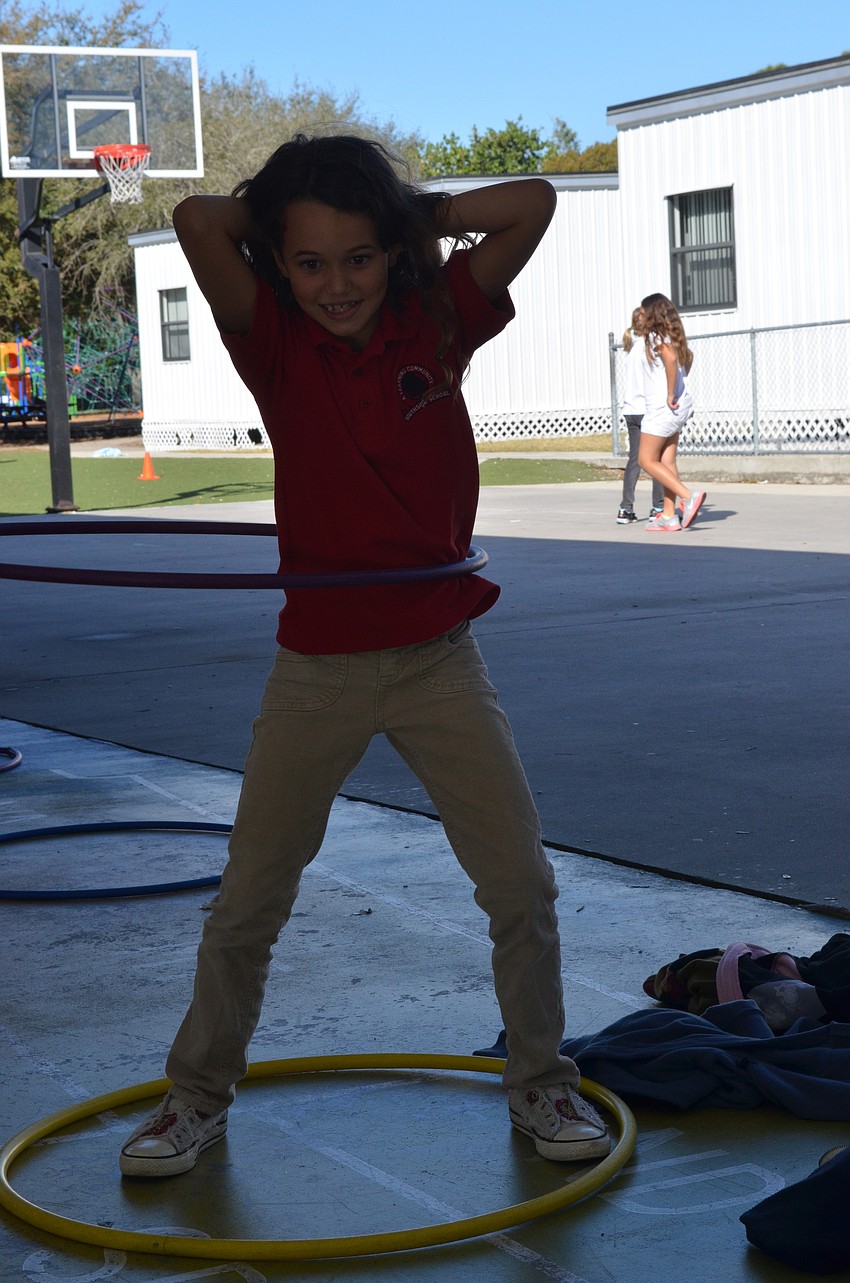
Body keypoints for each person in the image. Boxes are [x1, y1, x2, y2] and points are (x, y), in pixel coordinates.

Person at [118, 134, 610, 1179]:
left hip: (439, 658)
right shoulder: (271, 342)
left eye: (357, 258)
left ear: (390, 252)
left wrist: (403, 218)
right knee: (249, 898)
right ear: (278, 265)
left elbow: (531, 200)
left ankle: (540, 1079)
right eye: (308, 262)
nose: (335, 284)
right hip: (318, 665)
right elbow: (200, 220)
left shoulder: (437, 319)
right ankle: (194, 1096)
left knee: (520, 883)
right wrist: (302, 221)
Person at [636, 293, 706, 532]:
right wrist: (679, 387)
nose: (640, 316)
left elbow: (671, 358)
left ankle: (688, 496)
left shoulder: (656, 336)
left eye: (643, 312)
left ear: (651, 313)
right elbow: (687, 358)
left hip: (662, 408)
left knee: (646, 460)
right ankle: (668, 516)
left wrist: (669, 392)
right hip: (678, 408)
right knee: (667, 460)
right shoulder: (671, 335)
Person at [617, 307, 664, 524]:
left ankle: (625, 508)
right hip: (647, 409)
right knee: (656, 459)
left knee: (635, 459)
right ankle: (658, 507)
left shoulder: (631, 348)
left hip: (631, 410)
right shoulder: (650, 346)